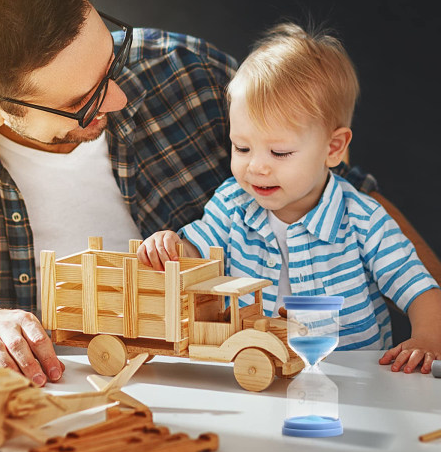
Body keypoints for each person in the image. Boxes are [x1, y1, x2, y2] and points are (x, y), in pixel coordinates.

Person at [0, 0, 381, 385]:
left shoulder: (189, 76)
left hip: (229, 389)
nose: (116, 98)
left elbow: (348, 196)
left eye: (110, 60)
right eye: (81, 102)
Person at [137, 23, 441, 374]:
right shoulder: (232, 204)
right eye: (242, 147)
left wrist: (428, 337)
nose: (256, 167)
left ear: (333, 148)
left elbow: (420, 289)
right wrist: (173, 246)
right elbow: (196, 253)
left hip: (354, 380)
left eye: (279, 153)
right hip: (256, 370)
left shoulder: (362, 219)